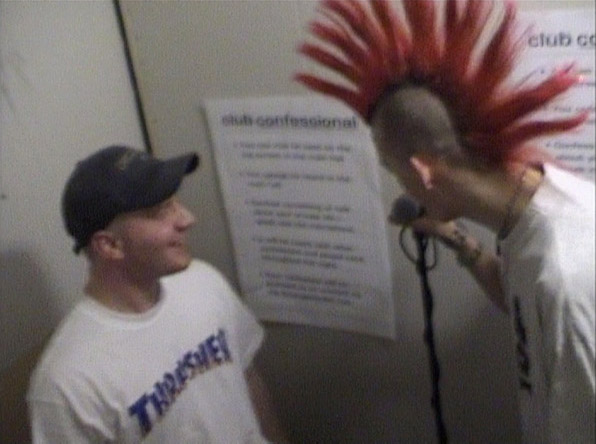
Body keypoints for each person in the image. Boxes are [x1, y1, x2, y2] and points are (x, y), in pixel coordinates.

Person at [295, 0, 595, 442]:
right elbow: (522, 299)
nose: (401, 189)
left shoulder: (565, 274)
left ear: (422, 172)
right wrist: (456, 241)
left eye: (393, 170)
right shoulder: (539, 200)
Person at [27, 145, 288, 443]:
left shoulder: (202, 281)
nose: (188, 219)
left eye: (176, 203)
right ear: (110, 245)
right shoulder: (68, 383)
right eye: (161, 211)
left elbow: (247, 381)